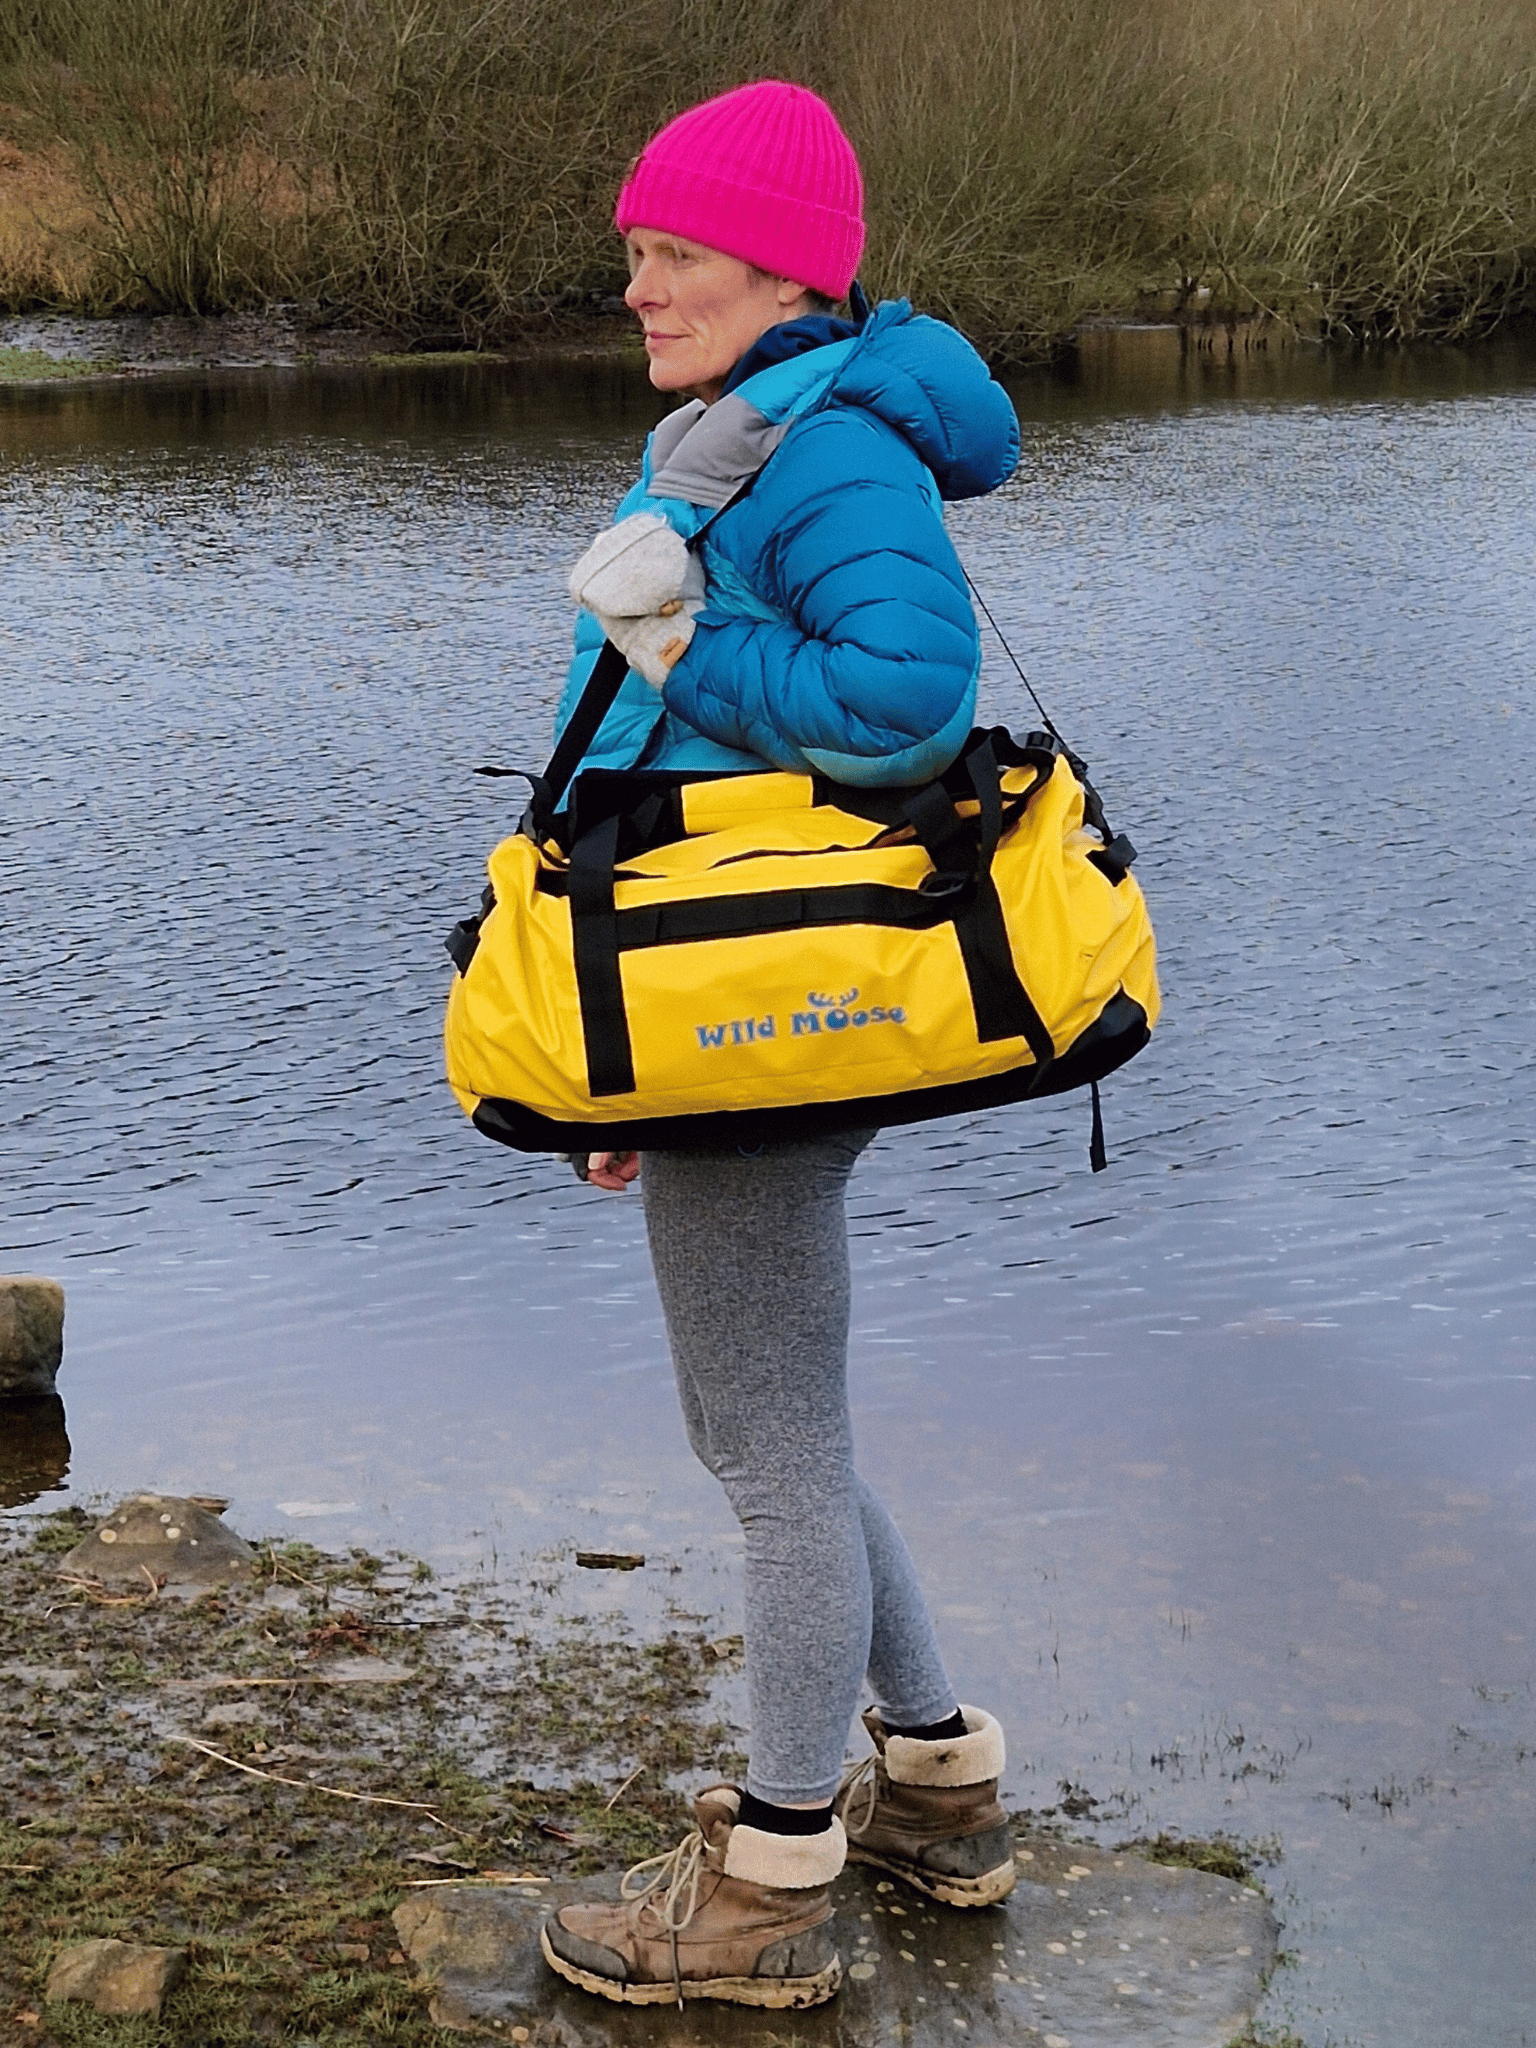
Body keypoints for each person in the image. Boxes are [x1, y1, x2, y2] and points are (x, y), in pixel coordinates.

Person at [538, 79, 1022, 2011]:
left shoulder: (826, 455)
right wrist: (623, 1057)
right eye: (637, 248)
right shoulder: (766, 423)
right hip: (735, 1006)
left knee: (766, 1455)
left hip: (777, 1011)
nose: (638, 282)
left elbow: (909, 696)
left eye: (673, 251)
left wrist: (672, 644)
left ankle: (765, 1882)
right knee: (787, 1428)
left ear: (780, 269)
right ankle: (937, 1780)